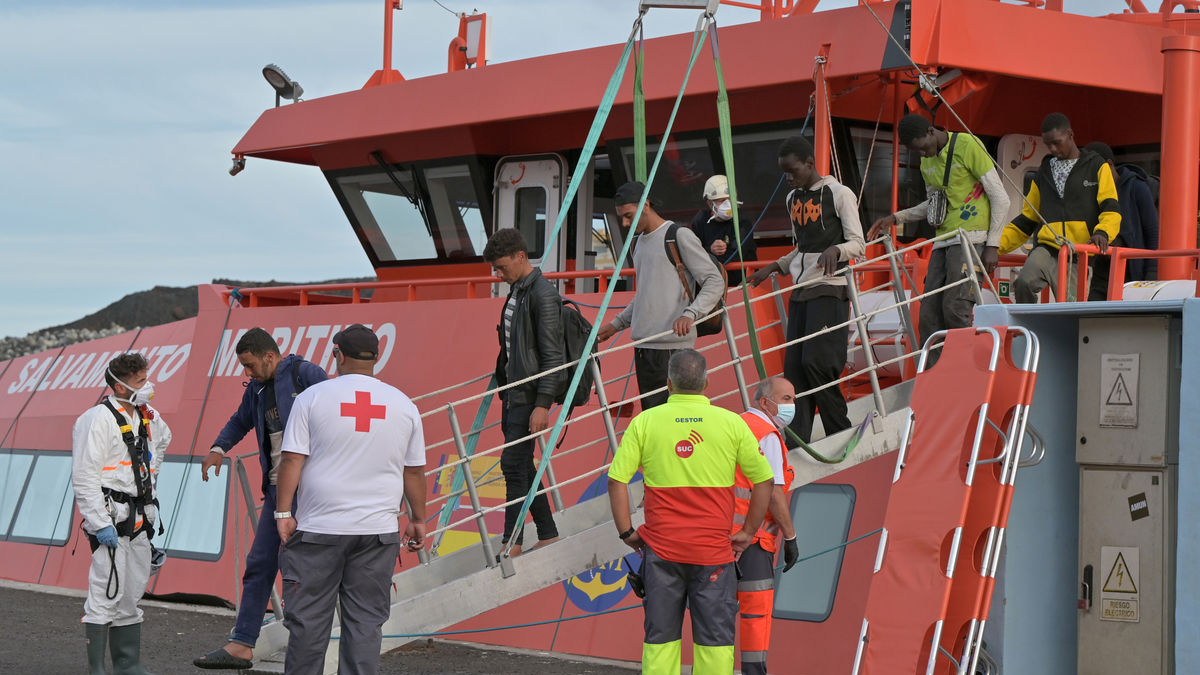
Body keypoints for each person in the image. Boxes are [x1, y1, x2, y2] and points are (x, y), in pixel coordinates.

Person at [607, 349, 775, 675]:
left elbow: (617, 482)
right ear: (706, 383)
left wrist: (628, 533)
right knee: (714, 645)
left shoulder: (645, 423)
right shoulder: (730, 423)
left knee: (661, 642)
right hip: (714, 554)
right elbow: (764, 482)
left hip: (661, 554)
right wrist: (747, 533)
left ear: (668, 383)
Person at [274, 324, 427, 675]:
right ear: (376, 358)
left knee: (308, 624)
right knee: (365, 625)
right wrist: (418, 519)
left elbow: (293, 460)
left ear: (338, 355)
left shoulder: (311, 398)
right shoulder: (403, 405)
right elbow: (413, 472)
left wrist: (284, 511)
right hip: (377, 533)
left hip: (318, 531)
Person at [193, 328, 327, 670]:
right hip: (277, 493)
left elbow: (336, 417)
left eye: (250, 365)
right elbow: (240, 422)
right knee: (260, 564)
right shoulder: (255, 390)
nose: (246, 373)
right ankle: (242, 643)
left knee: (301, 569)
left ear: (270, 356)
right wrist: (217, 449)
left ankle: (307, 644)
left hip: (312, 492)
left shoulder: (305, 374)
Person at [747, 136, 866, 444]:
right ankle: (796, 441)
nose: (789, 178)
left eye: (793, 171)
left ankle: (838, 430)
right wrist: (775, 266)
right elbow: (803, 248)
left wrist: (837, 251)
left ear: (810, 164)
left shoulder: (840, 193)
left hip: (830, 287)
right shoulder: (792, 200)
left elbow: (858, 244)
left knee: (818, 362)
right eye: (784, 172)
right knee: (795, 370)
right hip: (801, 290)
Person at [868, 114, 1011, 345]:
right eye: (916, 152)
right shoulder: (927, 160)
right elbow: (934, 204)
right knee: (928, 315)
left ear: (931, 132)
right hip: (943, 241)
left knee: (956, 308)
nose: (922, 155)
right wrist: (896, 218)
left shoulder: (968, 145)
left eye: (922, 148)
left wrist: (992, 245)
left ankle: (962, 371)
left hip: (970, 239)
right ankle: (933, 374)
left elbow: (1000, 198)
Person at [72, 352, 170, 675]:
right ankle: (97, 668)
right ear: (119, 386)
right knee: (105, 592)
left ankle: (128, 664)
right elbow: (85, 477)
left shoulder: (146, 416)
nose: (148, 385)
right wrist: (99, 522)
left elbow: (163, 440)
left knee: (131, 592)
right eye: (140, 381)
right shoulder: (96, 420)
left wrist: (150, 479)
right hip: (111, 519)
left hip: (140, 518)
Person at [596, 181, 725, 410]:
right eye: (622, 218)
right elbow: (645, 294)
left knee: (675, 418)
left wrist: (690, 314)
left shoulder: (678, 235)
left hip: (674, 348)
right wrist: (615, 325)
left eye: (628, 215)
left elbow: (714, 281)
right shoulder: (638, 243)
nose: (625, 223)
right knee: (656, 418)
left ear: (645, 205)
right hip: (645, 348)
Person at [483, 228, 562, 557]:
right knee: (523, 466)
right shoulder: (518, 289)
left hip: (529, 396)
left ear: (520, 256)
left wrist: (542, 404)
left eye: (502, 267)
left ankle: (511, 541)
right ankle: (548, 532)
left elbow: (552, 356)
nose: (499, 275)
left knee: (512, 464)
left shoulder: (542, 294)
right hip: (512, 394)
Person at [998, 113, 1121, 303]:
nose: (1053, 149)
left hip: (1078, 253)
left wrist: (1103, 232)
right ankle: (1030, 327)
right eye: (1049, 145)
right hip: (1047, 247)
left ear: (1070, 135)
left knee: (1071, 306)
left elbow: (1111, 207)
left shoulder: (1096, 165)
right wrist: (995, 245)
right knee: (1023, 282)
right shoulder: (1044, 171)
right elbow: (1028, 219)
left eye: (1057, 142)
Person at [735, 376, 801, 675]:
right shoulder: (767, 434)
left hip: (718, 534)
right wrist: (791, 537)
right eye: (786, 399)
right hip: (753, 539)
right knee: (755, 614)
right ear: (765, 402)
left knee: (716, 613)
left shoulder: (734, 425)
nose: (792, 406)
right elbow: (774, 492)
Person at [1083, 141, 1159, 289]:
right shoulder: (1092, 192)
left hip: (1132, 271)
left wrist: (1152, 272)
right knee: (1093, 311)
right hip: (1102, 270)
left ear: (1109, 164)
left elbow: (1152, 232)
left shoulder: (1138, 187)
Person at [689, 174, 757, 285]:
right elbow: (692, 252)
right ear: (710, 203)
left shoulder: (742, 221)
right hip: (710, 284)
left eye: (731, 199)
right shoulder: (700, 221)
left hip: (741, 284)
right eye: (721, 200)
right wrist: (710, 249)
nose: (728, 204)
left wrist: (708, 255)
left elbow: (735, 255)